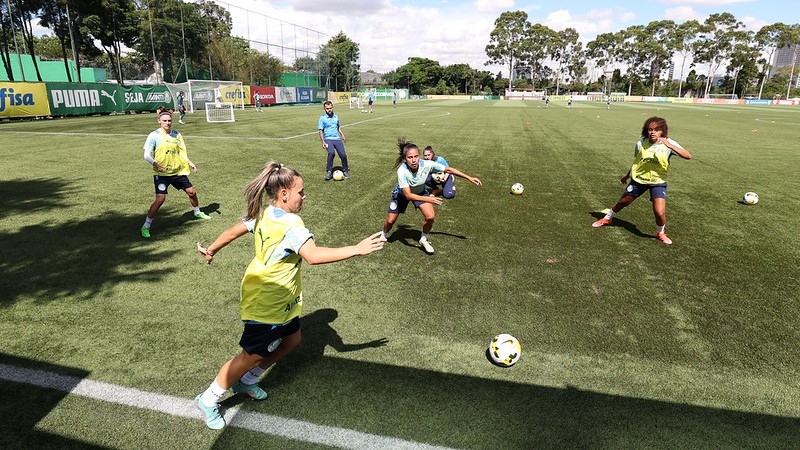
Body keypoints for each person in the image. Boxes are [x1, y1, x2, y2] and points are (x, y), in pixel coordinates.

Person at [194, 161, 386, 430]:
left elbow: (232, 232)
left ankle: (247, 380)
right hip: (267, 298)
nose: (304, 197)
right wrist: (357, 248)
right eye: (301, 192)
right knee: (250, 355)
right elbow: (313, 256)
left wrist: (212, 249)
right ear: (284, 193)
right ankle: (208, 399)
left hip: (283, 296)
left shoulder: (264, 213)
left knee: (292, 340)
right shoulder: (292, 224)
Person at [592, 116, 693, 245]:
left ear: (662, 131)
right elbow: (638, 161)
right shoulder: (641, 143)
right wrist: (627, 176)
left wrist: (670, 145)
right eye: (650, 129)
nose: (653, 132)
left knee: (659, 211)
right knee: (623, 201)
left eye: (656, 130)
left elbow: (688, 156)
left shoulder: (669, 143)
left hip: (658, 182)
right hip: (639, 180)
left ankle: (660, 232)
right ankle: (607, 218)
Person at [381, 139, 482, 254]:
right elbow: (408, 195)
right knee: (390, 220)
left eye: (416, 156)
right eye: (410, 157)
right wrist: (428, 198)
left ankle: (423, 239)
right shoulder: (402, 171)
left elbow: (448, 169)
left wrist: (469, 177)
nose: (414, 160)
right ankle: (383, 234)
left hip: (420, 192)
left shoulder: (427, 164)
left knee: (430, 217)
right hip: (402, 194)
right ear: (405, 158)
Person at [141, 110, 211, 238]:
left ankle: (197, 212)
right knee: (160, 199)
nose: (167, 123)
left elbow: (181, 151)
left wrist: (189, 162)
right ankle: (146, 226)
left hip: (177, 171)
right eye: (164, 121)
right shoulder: (154, 135)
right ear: (159, 121)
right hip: (162, 173)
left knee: (192, 192)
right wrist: (155, 164)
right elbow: (146, 155)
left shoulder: (176, 134)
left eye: (169, 120)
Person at [318, 101, 349, 181]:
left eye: (330, 108)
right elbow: (321, 130)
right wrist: (323, 142)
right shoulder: (322, 118)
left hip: (337, 139)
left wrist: (342, 135)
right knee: (331, 153)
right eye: (327, 108)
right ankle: (329, 171)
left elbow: (338, 127)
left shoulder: (336, 117)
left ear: (332, 107)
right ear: (324, 109)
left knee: (343, 155)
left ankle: (345, 170)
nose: (329, 110)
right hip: (328, 139)